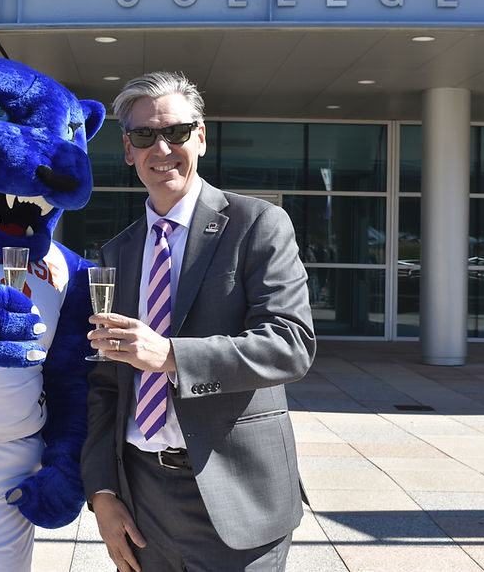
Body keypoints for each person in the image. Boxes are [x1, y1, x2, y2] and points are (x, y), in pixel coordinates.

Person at [80, 71, 316, 572]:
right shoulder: (118, 251)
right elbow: (104, 382)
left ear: (201, 138)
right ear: (128, 150)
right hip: (142, 496)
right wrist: (102, 493)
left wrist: (170, 355)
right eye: (145, 135)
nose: (161, 147)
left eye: (176, 132)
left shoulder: (256, 224)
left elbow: (290, 344)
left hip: (236, 494)